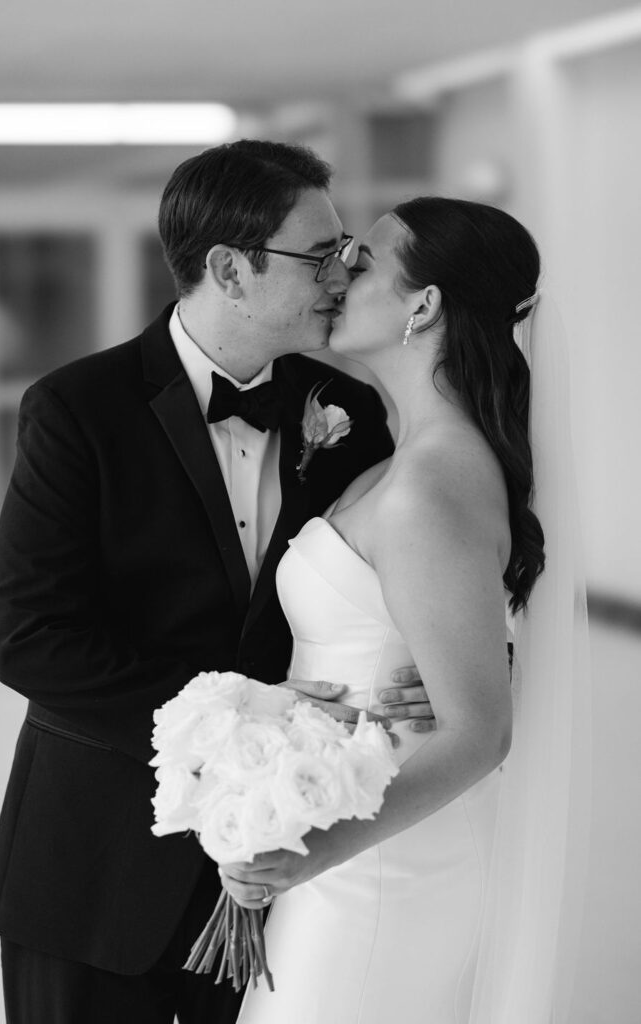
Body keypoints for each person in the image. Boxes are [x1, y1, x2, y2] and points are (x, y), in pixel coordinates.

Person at [0, 140, 434, 1024]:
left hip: (279, 870)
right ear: (229, 268)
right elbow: (32, 642)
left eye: (346, 253)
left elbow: (403, 568)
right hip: (94, 868)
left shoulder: (352, 413)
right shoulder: (78, 409)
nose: (342, 276)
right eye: (320, 254)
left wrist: (433, 663)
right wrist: (249, 714)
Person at [222, 198, 588, 1023]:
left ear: (422, 305)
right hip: (357, 842)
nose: (337, 271)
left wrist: (300, 856)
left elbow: (475, 733)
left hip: (382, 865)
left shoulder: (429, 484)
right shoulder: (401, 461)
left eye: (362, 257)